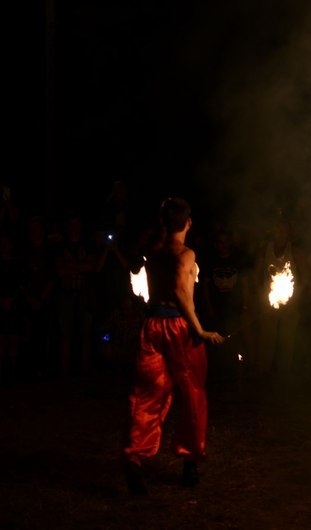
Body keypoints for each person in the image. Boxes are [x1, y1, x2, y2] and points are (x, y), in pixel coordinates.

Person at [122, 197, 226, 496]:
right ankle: (190, 461)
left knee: (146, 395)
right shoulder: (186, 255)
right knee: (192, 394)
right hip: (179, 328)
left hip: (152, 326)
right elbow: (181, 294)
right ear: (188, 223)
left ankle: (134, 458)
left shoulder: (152, 251)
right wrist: (201, 330)